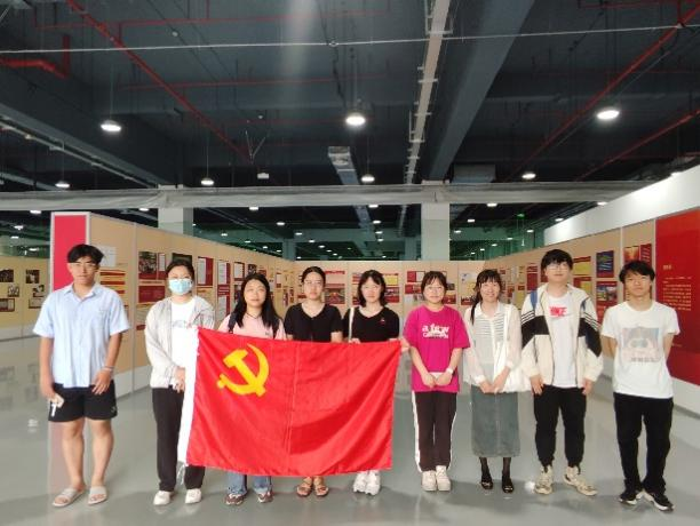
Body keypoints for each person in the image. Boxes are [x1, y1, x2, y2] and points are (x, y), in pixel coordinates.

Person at [34, 244, 130, 507]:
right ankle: (76, 482)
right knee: (70, 430)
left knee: (101, 427)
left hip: (97, 378)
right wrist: (44, 375)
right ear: (69, 267)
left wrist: (108, 369)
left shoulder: (109, 298)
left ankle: (97, 479)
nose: (82, 269)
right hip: (64, 378)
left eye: (88, 264)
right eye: (77, 264)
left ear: (97, 267)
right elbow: (46, 338)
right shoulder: (55, 300)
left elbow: (116, 335)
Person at [520, 249, 603, 496]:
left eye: (563, 264)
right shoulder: (534, 300)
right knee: (545, 426)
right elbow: (524, 341)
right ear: (544, 271)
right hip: (545, 379)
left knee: (576, 427)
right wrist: (532, 372)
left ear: (570, 270)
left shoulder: (582, 300)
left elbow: (594, 340)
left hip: (576, 379)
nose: (558, 269)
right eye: (553, 265)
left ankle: (573, 470)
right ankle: (546, 470)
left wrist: (591, 374)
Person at [601, 260, 679, 512]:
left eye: (643, 278)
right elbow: (611, 346)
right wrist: (628, 366)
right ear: (624, 283)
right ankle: (632, 485)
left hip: (659, 389)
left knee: (660, 442)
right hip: (626, 389)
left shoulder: (666, 313)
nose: (637, 283)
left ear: (651, 281)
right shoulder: (615, 313)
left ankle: (654, 486)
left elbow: (665, 349)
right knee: (627, 439)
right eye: (631, 278)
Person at [145, 258, 215, 506]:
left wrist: (191, 373)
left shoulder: (204, 308)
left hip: (197, 382)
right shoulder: (158, 310)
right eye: (174, 277)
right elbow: (152, 346)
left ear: (192, 280)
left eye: (184, 276)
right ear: (167, 281)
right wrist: (176, 372)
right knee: (166, 433)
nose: (179, 281)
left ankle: (194, 483)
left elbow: (208, 345)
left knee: (196, 431)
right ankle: (166, 484)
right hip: (165, 382)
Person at [218, 272, 286, 506]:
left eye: (260, 289)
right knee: (235, 439)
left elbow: (283, 356)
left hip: (263, 392)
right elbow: (217, 351)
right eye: (250, 289)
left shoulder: (275, 323)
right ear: (242, 294)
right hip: (236, 393)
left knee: (261, 439)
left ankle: (262, 485)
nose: (255, 294)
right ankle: (235, 487)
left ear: (267, 294)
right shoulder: (231, 322)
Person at [404, 271, 469, 492]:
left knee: (444, 425)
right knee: (423, 427)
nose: (434, 291)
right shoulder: (415, 316)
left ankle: (441, 468)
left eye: (439, 287)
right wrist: (424, 373)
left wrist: (449, 372)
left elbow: (458, 346)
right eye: (430, 287)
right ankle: (427, 469)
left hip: (447, 381)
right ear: (423, 290)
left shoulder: (453, 316)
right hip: (423, 380)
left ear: (445, 290)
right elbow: (412, 347)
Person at [464, 269, 527, 494]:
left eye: (494, 284)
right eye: (485, 285)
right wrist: (481, 379)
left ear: (500, 287)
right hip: (479, 377)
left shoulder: (510, 311)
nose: (490, 289)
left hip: (505, 377)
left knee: (507, 422)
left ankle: (506, 472)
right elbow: (469, 348)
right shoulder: (470, 313)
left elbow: (515, 344)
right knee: (482, 424)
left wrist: (503, 375)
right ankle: (484, 469)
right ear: (478, 289)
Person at [283, 266, 343, 497]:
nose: (313, 287)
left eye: (318, 282)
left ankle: (319, 474)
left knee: (322, 427)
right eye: (309, 282)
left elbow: (336, 347)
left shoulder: (332, 313)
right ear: (302, 285)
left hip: (325, 379)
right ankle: (307, 473)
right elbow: (287, 347)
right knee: (303, 427)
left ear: (324, 286)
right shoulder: (292, 312)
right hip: (300, 379)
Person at [343, 270, 400, 496]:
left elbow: (392, 351)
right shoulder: (351, 315)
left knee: (377, 424)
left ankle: (374, 469)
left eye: (375, 286)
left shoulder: (391, 317)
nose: (371, 291)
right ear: (360, 289)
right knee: (357, 424)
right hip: (356, 379)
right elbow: (340, 347)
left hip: (380, 381)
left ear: (382, 288)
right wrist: (350, 345)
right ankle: (361, 467)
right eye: (366, 286)